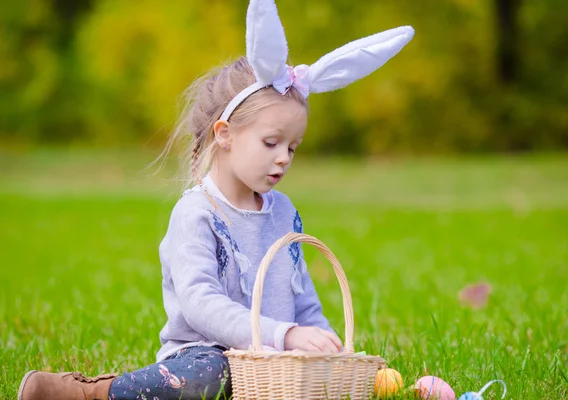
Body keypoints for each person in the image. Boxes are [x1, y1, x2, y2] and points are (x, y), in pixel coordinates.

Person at [17, 1, 414, 399]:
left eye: (293, 147)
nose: (283, 158)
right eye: (271, 142)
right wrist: (284, 335)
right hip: (207, 356)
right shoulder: (197, 213)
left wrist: (329, 347)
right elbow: (199, 303)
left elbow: (302, 298)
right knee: (213, 375)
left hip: (271, 366)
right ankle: (94, 393)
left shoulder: (284, 212)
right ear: (225, 134)